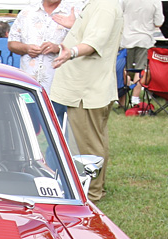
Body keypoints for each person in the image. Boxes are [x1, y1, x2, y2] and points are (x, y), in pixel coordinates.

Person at [49, 0, 124, 202]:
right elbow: (93, 33)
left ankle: (91, 193)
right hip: (88, 88)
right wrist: (75, 24)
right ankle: (95, 188)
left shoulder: (104, 6)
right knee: (94, 141)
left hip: (87, 89)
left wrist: (70, 52)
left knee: (88, 146)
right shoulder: (98, 5)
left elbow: (93, 43)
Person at [8, 0, 78, 93]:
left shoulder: (74, 13)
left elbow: (84, 46)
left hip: (59, 89)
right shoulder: (27, 12)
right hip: (28, 86)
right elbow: (11, 43)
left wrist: (58, 48)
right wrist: (26, 48)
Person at [119, 0, 163, 106]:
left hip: (126, 39)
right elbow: (159, 22)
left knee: (123, 70)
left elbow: (118, 16)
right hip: (144, 39)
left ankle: (121, 100)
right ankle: (135, 98)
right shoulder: (155, 1)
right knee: (141, 71)